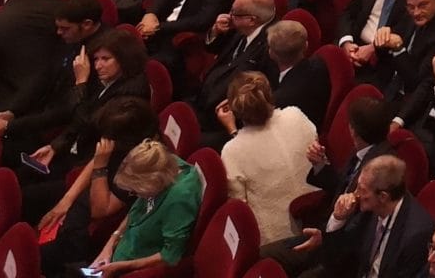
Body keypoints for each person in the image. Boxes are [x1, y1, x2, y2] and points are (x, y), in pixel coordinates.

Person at [218, 71, 318, 244]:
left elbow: (240, 207)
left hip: (276, 241)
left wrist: (233, 131)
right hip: (320, 216)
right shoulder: (295, 115)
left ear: (235, 109)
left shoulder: (232, 150)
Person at [87, 138, 206, 277]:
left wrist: (119, 267)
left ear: (153, 183)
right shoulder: (164, 164)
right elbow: (137, 210)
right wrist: (109, 246)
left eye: (136, 191)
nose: (135, 195)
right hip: (118, 255)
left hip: (135, 270)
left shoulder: (179, 201)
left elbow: (170, 256)